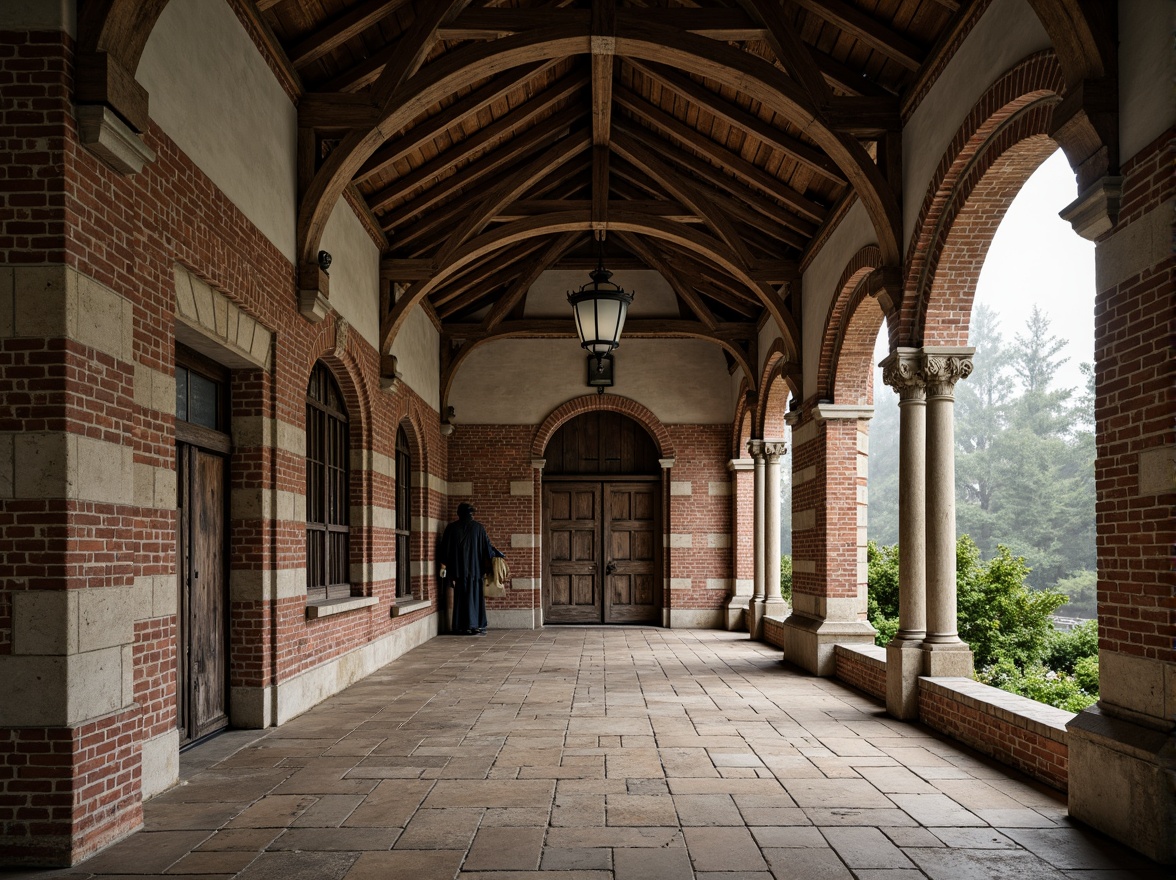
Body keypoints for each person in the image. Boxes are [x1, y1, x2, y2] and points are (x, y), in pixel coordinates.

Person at [438, 502, 503, 636]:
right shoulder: (479, 528)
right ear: (471, 514)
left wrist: (444, 566)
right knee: (476, 598)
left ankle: (461, 626)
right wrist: (498, 554)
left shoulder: (451, 528)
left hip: (459, 571)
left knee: (460, 598)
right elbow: (487, 548)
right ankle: (476, 625)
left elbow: (445, 550)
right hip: (475, 571)